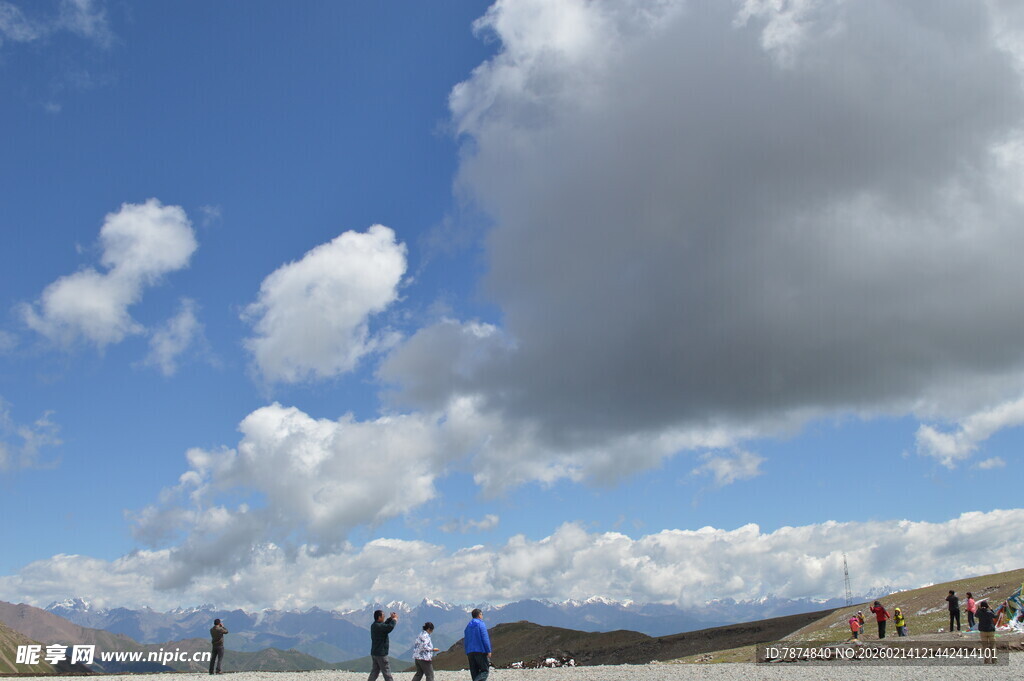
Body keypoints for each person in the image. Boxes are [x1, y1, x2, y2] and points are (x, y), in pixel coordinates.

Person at [368, 610, 398, 681]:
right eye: (383, 616)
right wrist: (394, 620)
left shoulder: (374, 625)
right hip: (381, 654)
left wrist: (390, 618)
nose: (384, 617)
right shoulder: (379, 626)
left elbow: (384, 624)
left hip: (375, 653)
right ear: (379, 617)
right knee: (386, 672)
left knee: (374, 672)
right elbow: (389, 627)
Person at [464, 608, 492, 681]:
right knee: (485, 671)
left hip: (470, 652)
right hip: (480, 651)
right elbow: (485, 637)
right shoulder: (480, 624)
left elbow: (466, 640)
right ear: (479, 615)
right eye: (482, 614)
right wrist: (488, 650)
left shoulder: (468, 626)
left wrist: (467, 651)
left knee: (474, 672)